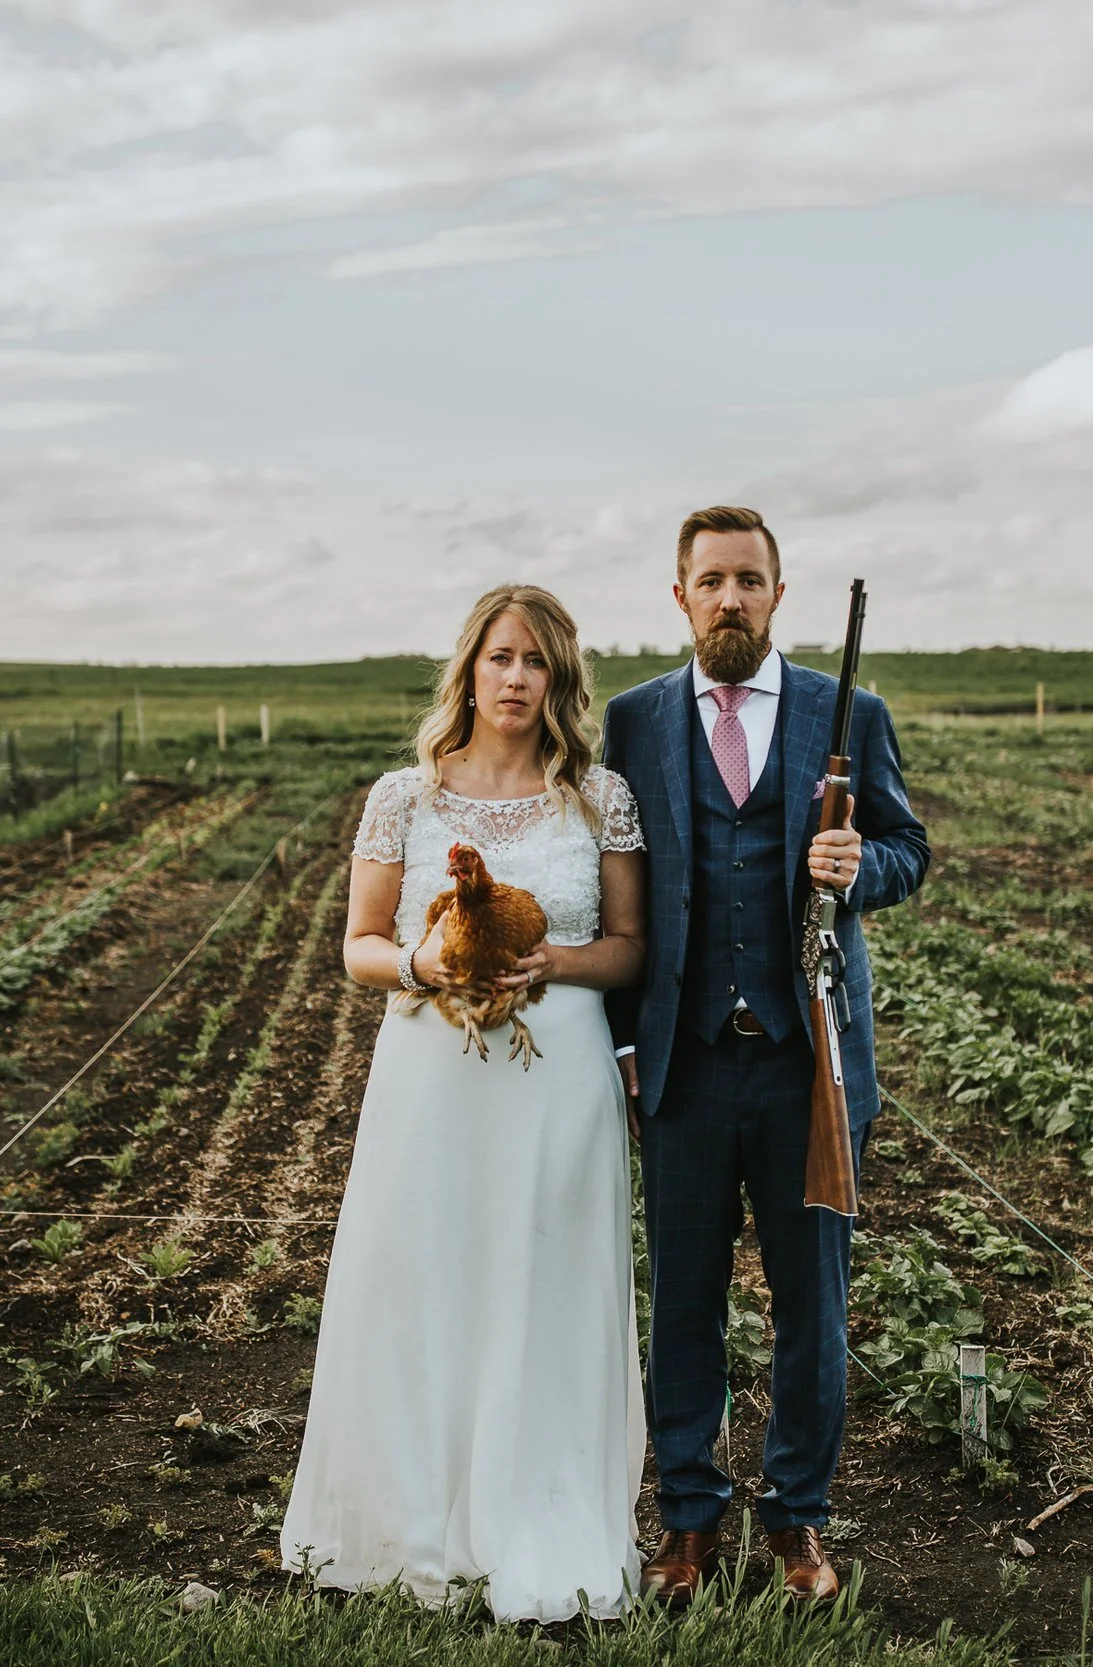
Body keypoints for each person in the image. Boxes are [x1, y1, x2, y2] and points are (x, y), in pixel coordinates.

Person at [281, 583, 650, 1622]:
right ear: (469, 668)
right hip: (428, 1075)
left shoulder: (599, 797)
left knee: (547, 1281)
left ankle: (539, 1515)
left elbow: (629, 947)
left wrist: (550, 962)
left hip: (557, 1073)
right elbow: (355, 947)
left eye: (536, 661)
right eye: (499, 656)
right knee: (423, 1280)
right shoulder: (405, 795)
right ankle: (413, 1520)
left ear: (560, 679)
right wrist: (423, 960)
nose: (516, 677)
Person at [602, 505, 930, 1606]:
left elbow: (908, 846)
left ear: (778, 595)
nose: (730, 598)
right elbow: (613, 879)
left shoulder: (851, 711)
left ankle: (798, 1520)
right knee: (682, 1305)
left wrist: (858, 862)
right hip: (683, 1070)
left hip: (811, 1068)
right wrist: (621, 1045)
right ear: (680, 594)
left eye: (749, 579)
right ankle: (687, 1519)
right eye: (711, 581)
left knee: (813, 1309)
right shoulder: (634, 720)